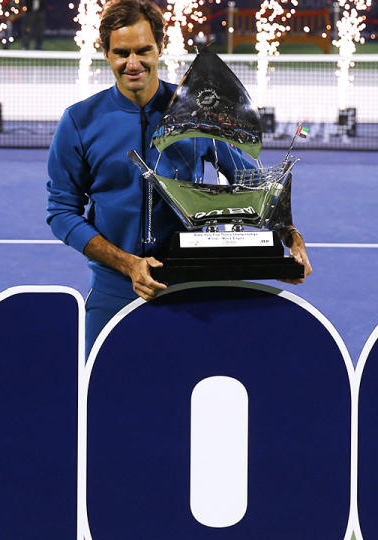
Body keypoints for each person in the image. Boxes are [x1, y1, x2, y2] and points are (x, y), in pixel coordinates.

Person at [46, 0, 312, 348]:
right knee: (99, 397)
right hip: (113, 292)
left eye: (143, 50)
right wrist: (128, 265)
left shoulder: (198, 113)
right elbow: (61, 213)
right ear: (106, 53)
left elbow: (253, 185)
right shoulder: (79, 121)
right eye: (121, 52)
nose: (133, 63)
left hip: (189, 291)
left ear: (160, 47)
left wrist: (287, 234)